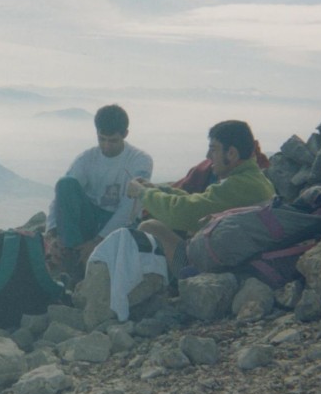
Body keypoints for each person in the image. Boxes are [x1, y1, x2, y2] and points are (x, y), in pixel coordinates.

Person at [127, 119, 275, 270]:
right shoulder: (256, 180)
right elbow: (198, 202)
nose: (208, 156)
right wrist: (160, 190)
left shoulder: (239, 186)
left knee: (150, 227)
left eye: (213, 150)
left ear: (231, 153)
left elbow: (181, 213)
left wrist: (143, 193)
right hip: (233, 257)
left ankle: (166, 287)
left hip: (213, 267)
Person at [46, 104, 153, 274]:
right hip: (92, 216)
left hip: (121, 223)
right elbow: (62, 196)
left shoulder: (139, 161)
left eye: (113, 141)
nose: (106, 146)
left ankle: (82, 262)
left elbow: (129, 207)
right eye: (102, 139)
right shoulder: (87, 158)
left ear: (125, 134)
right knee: (65, 183)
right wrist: (51, 233)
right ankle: (72, 255)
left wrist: (97, 241)